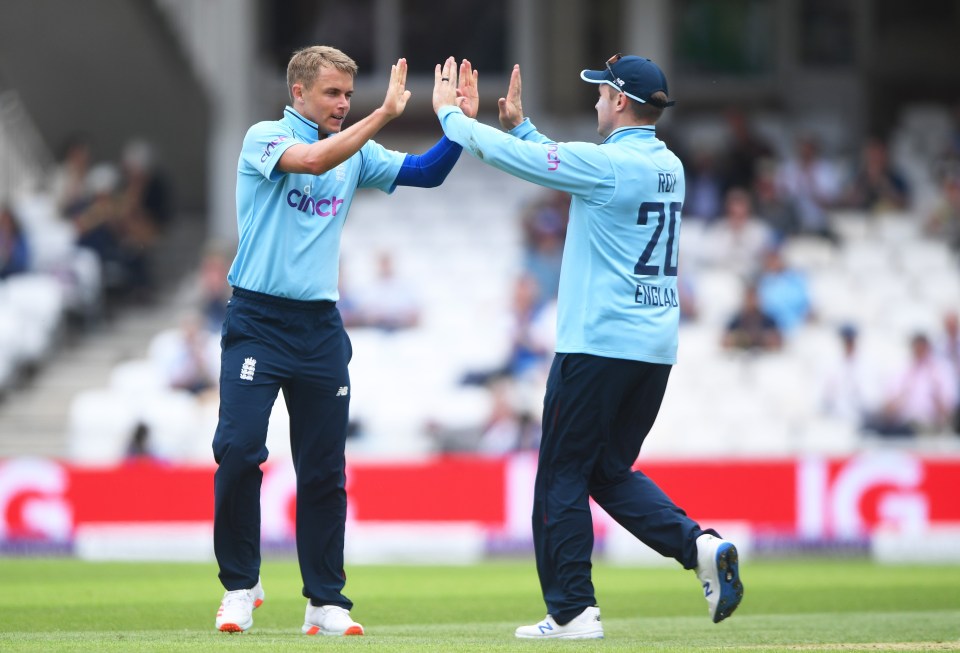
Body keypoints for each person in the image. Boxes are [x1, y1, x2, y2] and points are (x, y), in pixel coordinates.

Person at [432, 54, 743, 639]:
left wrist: (452, 118)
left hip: (597, 346)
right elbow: (569, 168)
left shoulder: (610, 166)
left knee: (560, 477)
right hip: (652, 351)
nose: (596, 100)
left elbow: (528, 163)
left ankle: (573, 610)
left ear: (621, 101)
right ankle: (698, 546)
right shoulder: (668, 166)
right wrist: (523, 127)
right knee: (606, 470)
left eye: (601, 93)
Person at [211, 47, 479, 636]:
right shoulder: (266, 137)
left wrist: (458, 124)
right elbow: (309, 161)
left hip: (319, 330)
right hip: (257, 319)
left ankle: (325, 601)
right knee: (237, 451)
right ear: (299, 92)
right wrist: (381, 115)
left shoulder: (355, 150)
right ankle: (240, 587)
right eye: (332, 93)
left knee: (324, 471)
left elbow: (428, 172)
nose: (342, 104)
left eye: (347, 96)